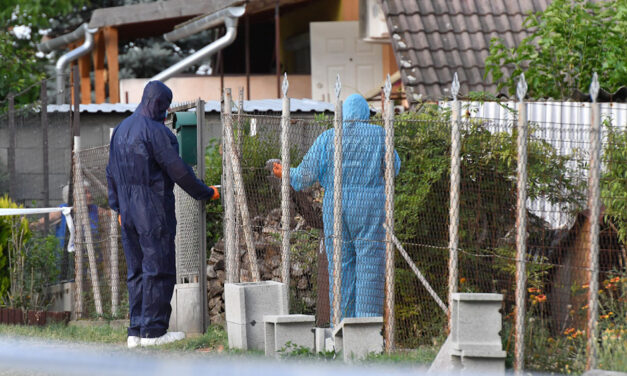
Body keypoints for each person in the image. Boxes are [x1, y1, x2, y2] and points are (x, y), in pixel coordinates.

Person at [106, 81, 219, 348]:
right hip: (152, 209)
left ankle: (135, 332)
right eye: (165, 106)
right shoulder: (157, 132)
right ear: (159, 104)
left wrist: (118, 208)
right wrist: (205, 192)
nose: (166, 112)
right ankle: (154, 332)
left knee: (136, 271)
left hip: (128, 214)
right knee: (159, 268)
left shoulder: (121, 129)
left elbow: (110, 172)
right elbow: (178, 171)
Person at [272, 94, 400, 321]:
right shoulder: (380, 135)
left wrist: (285, 173)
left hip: (336, 206)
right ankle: (367, 331)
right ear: (365, 114)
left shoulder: (328, 138)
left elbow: (304, 176)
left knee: (340, 268)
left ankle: (341, 331)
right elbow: (394, 168)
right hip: (370, 207)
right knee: (370, 268)